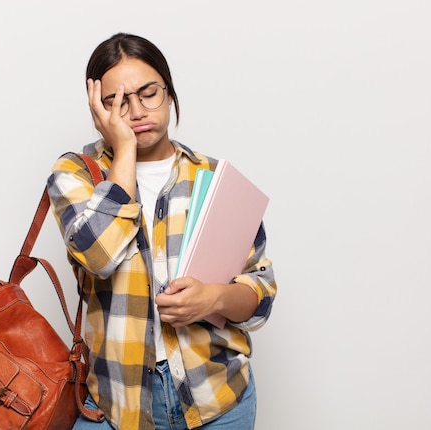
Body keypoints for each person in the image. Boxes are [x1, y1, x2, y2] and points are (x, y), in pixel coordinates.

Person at [47, 32, 277, 430]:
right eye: (115, 102)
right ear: (96, 111)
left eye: (148, 93)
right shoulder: (76, 175)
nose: (135, 111)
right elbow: (99, 257)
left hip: (217, 399)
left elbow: (261, 295)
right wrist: (124, 150)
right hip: (118, 405)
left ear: (169, 94)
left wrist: (214, 299)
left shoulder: (212, 178)